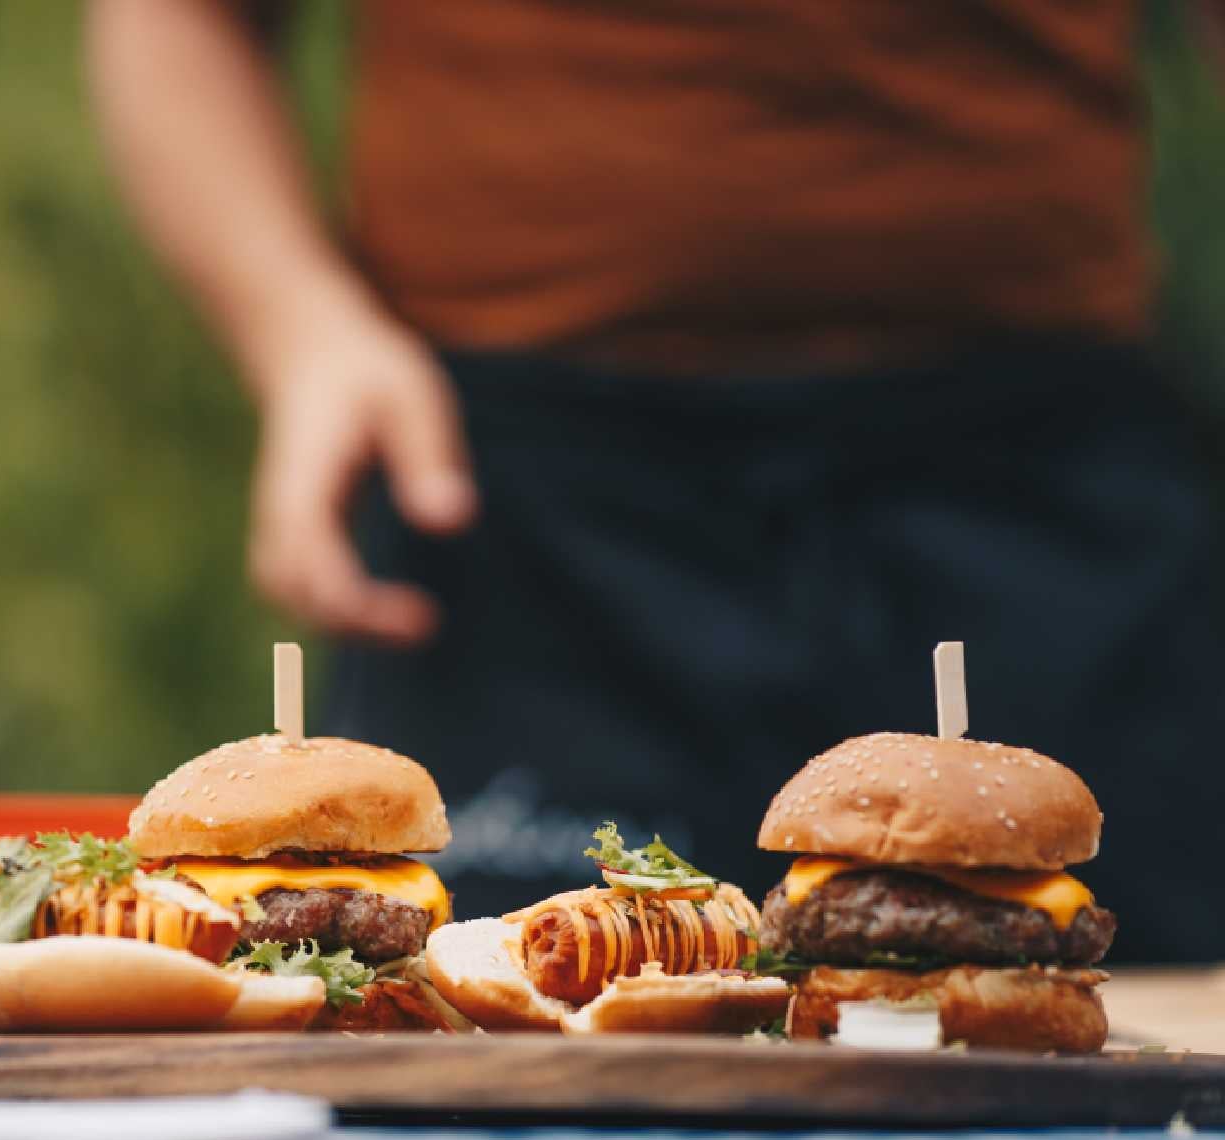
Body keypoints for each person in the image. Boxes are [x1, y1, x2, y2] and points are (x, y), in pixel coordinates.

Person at [86, 0, 1225, 961]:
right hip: (514, 490)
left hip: (1037, 479)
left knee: (1151, 1056)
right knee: (481, 1055)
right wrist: (301, 329)